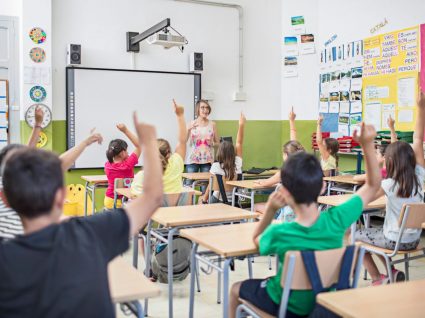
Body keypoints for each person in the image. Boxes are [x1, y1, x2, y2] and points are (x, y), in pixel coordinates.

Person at [0, 113, 163, 317]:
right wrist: (148, 143)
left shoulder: (6, 262)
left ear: (5, 198)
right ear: (62, 196)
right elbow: (152, 198)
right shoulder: (91, 232)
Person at [229, 122, 381, 318]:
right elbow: (373, 185)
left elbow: (256, 240)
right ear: (322, 188)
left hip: (288, 308)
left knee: (235, 289)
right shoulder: (337, 219)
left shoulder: (280, 232)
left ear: (285, 192)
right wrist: (367, 145)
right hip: (325, 305)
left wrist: (270, 210)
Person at [356, 90, 425, 285]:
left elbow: (366, 197)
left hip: (394, 240)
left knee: (355, 237)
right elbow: (418, 139)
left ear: (390, 162)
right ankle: (391, 272)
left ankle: (379, 278)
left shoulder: (388, 184)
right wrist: (422, 108)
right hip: (414, 240)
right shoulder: (420, 177)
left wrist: (366, 147)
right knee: (372, 235)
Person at [254, 107, 304, 222]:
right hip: (300, 212)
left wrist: (260, 181)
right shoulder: (304, 168)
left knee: (255, 206)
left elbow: (266, 183)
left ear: (286, 155)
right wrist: (292, 121)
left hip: (285, 214)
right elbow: (294, 144)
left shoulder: (285, 172)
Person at [131, 99, 186, 195]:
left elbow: (135, 197)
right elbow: (182, 141)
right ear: (169, 154)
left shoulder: (142, 176)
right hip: (176, 210)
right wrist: (180, 116)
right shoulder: (176, 165)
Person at [198, 112, 245, 204]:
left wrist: (204, 200)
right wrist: (241, 125)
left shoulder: (215, 166)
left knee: (201, 198)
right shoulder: (238, 163)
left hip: (218, 200)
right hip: (234, 202)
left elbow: (210, 186)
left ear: (220, 152)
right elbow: (239, 143)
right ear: (233, 152)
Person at [104, 123, 141, 209]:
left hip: (109, 200)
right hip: (124, 203)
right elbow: (139, 146)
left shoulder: (107, 165)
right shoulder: (128, 164)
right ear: (122, 153)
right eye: (126, 151)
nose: (128, 153)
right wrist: (125, 130)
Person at [186, 100, 219, 182]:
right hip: (192, 160)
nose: (205, 110)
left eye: (207, 108)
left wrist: (212, 143)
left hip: (207, 161)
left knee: (205, 187)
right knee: (189, 186)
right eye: (202, 107)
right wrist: (188, 129)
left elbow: (218, 143)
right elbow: (184, 140)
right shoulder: (191, 123)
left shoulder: (213, 124)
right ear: (198, 109)